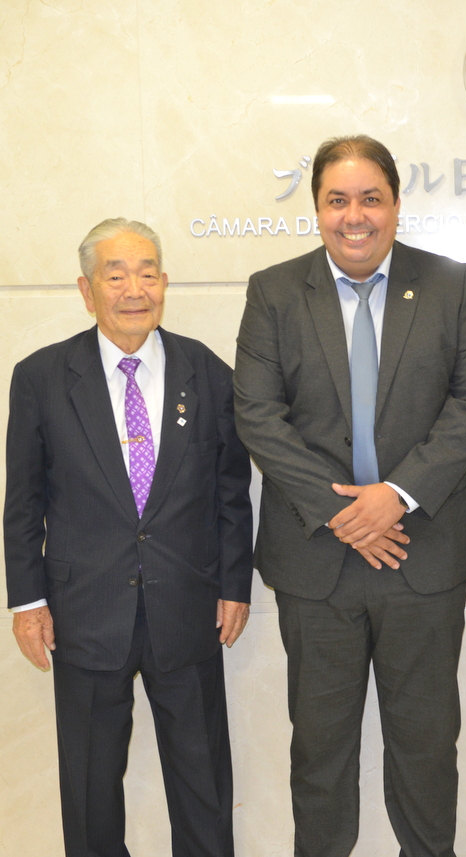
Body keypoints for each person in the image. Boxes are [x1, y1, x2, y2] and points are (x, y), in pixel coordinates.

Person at [233, 134, 466, 857]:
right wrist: (345, 512)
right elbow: (258, 415)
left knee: (426, 748)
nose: (355, 216)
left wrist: (398, 494)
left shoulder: (449, 284)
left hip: (424, 553)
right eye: (337, 200)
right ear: (317, 208)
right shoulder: (274, 292)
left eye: (371, 198)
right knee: (319, 752)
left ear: (396, 204)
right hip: (315, 560)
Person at [4, 218, 254, 857]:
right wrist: (27, 602)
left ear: (164, 283)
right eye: (115, 276)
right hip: (84, 613)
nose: (134, 290)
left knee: (203, 789)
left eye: (147, 274)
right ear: (86, 290)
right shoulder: (41, 377)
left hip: (188, 609)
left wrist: (235, 585)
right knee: (90, 794)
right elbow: (23, 502)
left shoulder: (207, 372)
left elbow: (230, 491)